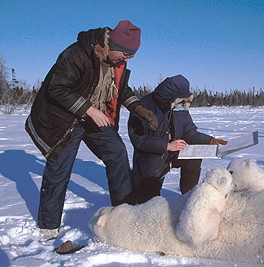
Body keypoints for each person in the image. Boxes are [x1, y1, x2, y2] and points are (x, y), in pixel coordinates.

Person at [25, 20, 158, 239]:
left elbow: (122, 90)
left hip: (94, 117)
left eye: (130, 57)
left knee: (117, 152)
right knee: (59, 168)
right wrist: (89, 110)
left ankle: (123, 210)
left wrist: (140, 108)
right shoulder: (78, 54)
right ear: (112, 44)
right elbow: (57, 88)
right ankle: (48, 227)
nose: (126, 60)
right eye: (125, 55)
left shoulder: (116, 64)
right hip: (65, 119)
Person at [128, 75, 228, 203]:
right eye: (179, 101)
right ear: (170, 97)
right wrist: (166, 146)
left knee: (193, 158)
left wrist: (210, 140)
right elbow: (139, 140)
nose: (180, 104)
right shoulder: (144, 106)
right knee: (148, 202)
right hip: (151, 157)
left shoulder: (180, 107)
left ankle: (188, 198)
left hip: (173, 153)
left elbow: (190, 132)